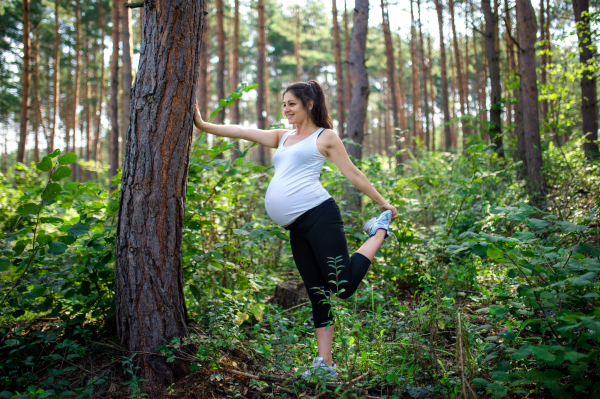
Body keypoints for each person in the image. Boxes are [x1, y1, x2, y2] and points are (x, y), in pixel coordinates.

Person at [193, 80, 397, 378]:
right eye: (284, 103)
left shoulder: (325, 137)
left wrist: (383, 203)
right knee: (317, 293)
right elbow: (241, 131)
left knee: (342, 286)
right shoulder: (282, 136)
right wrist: (202, 124)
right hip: (297, 227)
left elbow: (352, 171)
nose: (285, 109)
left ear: (309, 105)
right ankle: (325, 366)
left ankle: (379, 231)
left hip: (319, 216)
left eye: (291, 104)